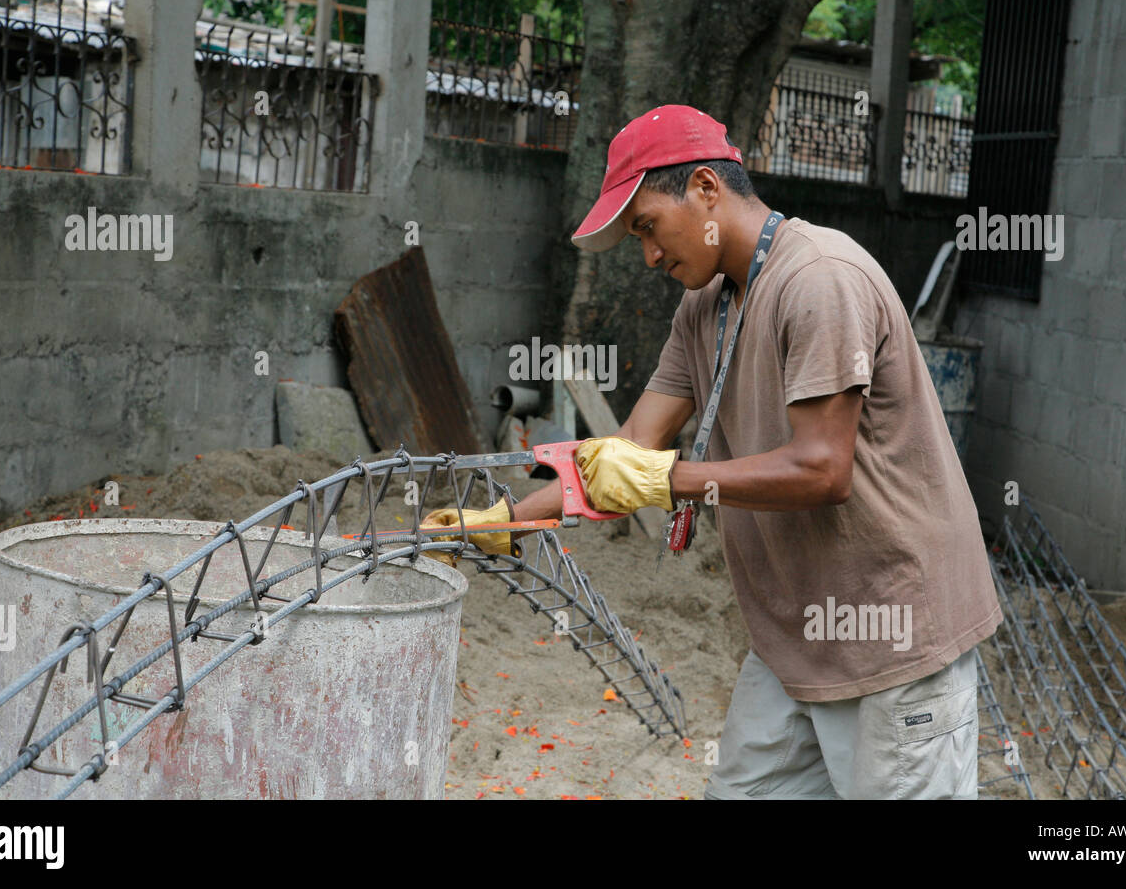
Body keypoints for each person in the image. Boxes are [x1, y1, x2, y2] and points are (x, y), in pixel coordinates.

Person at [426, 104, 1003, 799]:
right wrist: (508, 521)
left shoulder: (818, 279)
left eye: (646, 226)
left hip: (895, 637)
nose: (648, 256)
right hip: (793, 638)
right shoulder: (706, 305)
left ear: (704, 189)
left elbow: (822, 469)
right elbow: (630, 450)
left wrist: (669, 481)